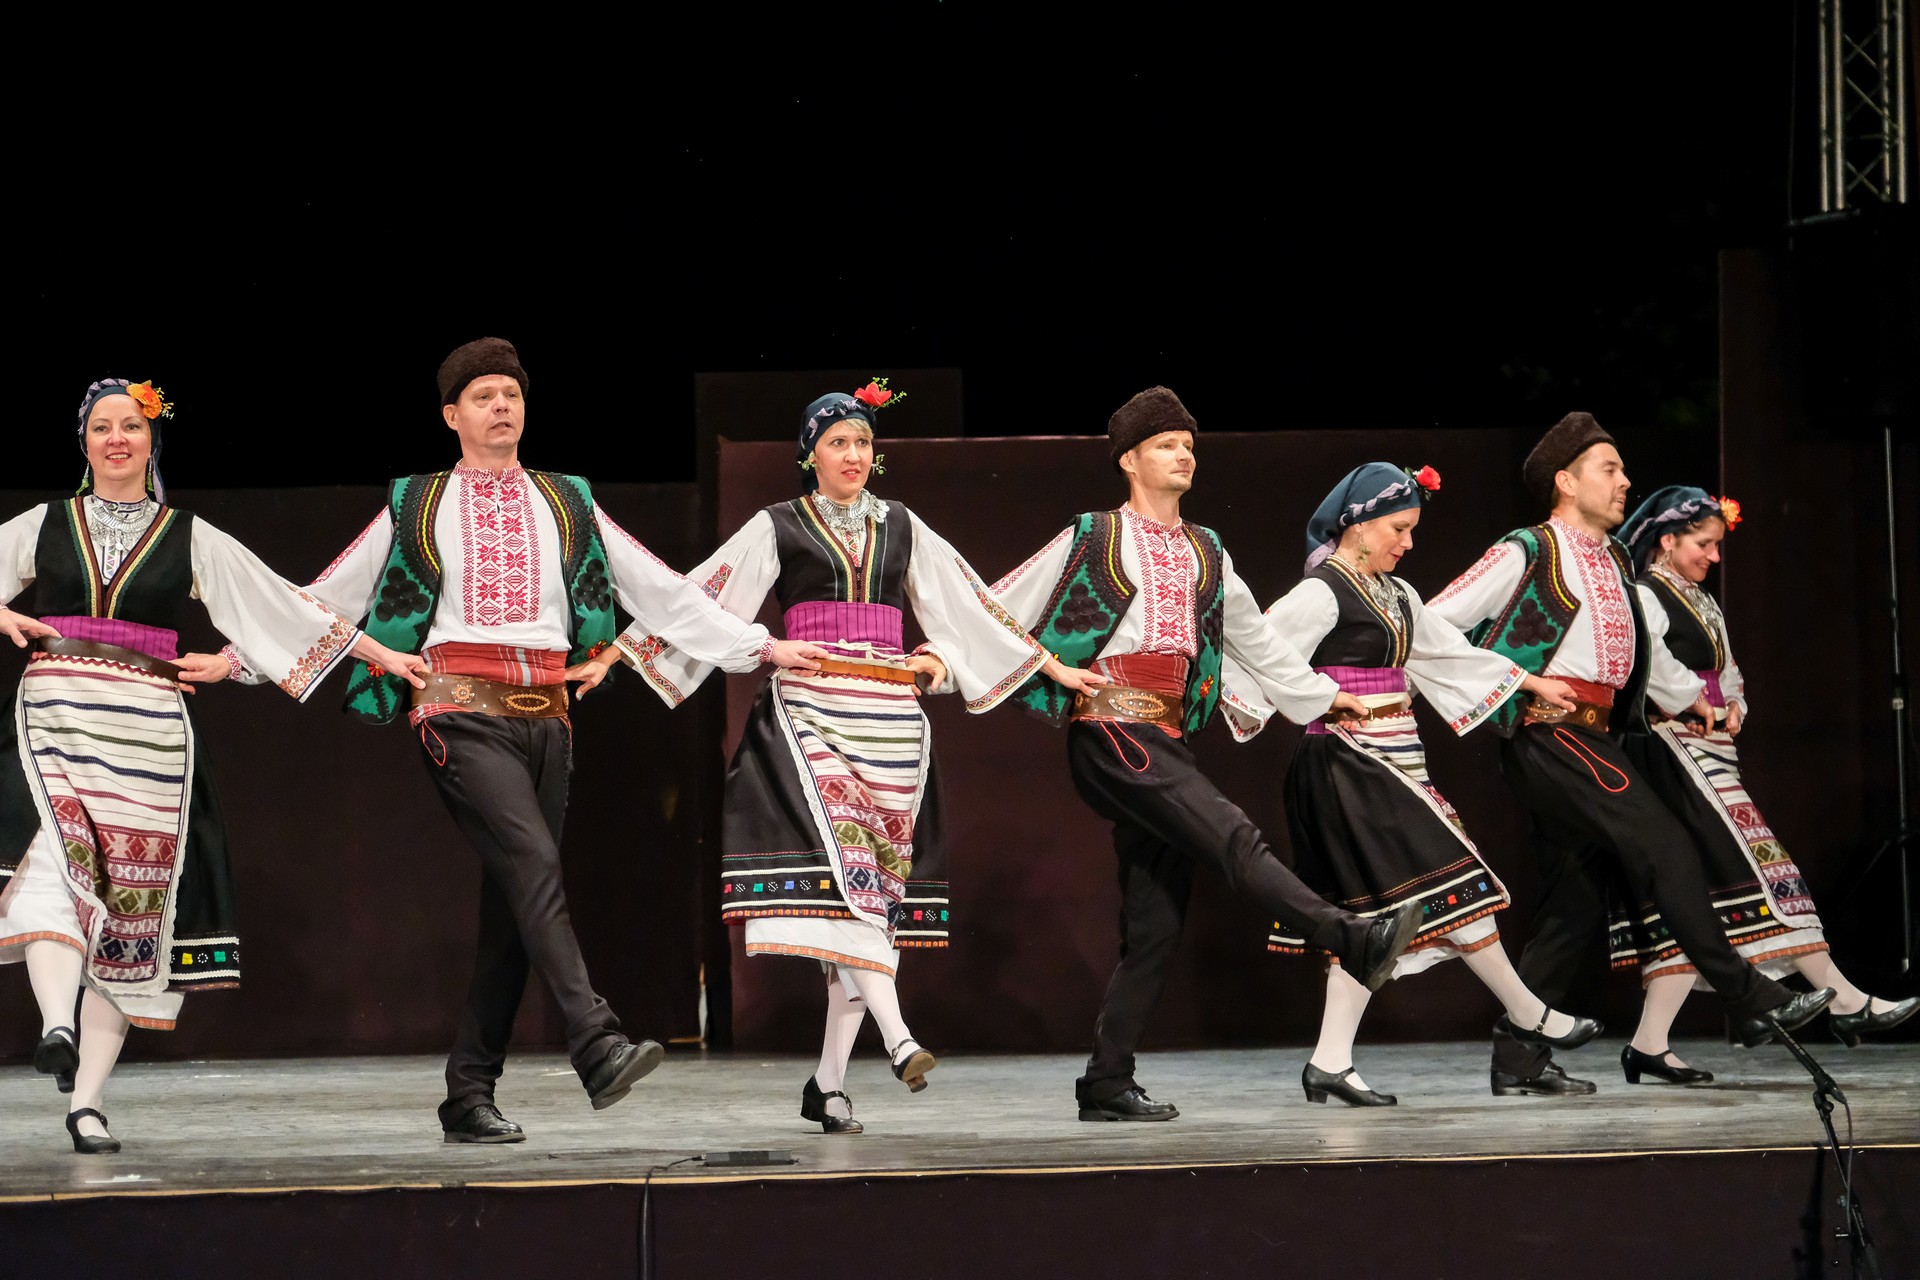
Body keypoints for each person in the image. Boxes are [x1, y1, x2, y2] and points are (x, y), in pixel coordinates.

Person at [217, 338, 823, 1143]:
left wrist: (760, 646)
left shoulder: (567, 499)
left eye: (511, 394)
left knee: (516, 904)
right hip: (456, 708)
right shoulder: (416, 502)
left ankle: (468, 1093)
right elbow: (329, 594)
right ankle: (595, 1040)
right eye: (483, 396)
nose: (501, 406)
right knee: (533, 864)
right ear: (451, 416)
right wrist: (238, 660)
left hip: (548, 715)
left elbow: (664, 593)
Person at [576, 381, 1076, 1134]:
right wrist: (625, 651)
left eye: (864, 442)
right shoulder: (778, 525)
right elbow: (700, 597)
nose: (853, 454)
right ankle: (899, 1036)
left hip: (891, 718)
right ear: (809, 453)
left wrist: (945, 660)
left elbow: (966, 607)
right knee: (851, 878)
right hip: (810, 710)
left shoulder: (902, 525)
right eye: (838, 442)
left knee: (868, 896)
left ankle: (828, 1084)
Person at [0, 377, 423, 1154]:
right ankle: (57, 1026)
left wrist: (380, 654)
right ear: (84, 441)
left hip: (151, 734)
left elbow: (281, 607)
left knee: (131, 910)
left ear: (152, 441)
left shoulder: (188, 536)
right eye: (103, 427)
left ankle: (86, 1104)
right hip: (56, 709)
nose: (117, 438)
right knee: (52, 864)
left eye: (132, 426)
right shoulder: (44, 524)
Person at [989, 387, 1424, 1122]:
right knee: (1231, 835)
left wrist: (1322, 696)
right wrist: (1011, 664)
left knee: (1156, 925)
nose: (1183, 454)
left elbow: (1256, 641)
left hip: (1164, 734)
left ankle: (1106, 1080)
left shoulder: (1206, 549)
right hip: (1110, 725)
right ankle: (1349, 936)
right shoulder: (1094, 535)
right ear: (1129, 460)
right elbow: (999, 606)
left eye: (1188, 444)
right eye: (1165, 444)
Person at [1424, 412, 1836, 1096]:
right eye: (1608, 469)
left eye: (1622, 469)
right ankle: (1746, 993)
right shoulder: (1529, 548)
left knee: (1575, 900)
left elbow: (1637, 656)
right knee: (1666, 844)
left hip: (1597, 734)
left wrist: (1691, 699)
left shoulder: (1616, 559)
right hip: (1551, 734)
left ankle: (1518, 1056)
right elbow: (1430, 623)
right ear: (1566, 481)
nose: (1624, 482)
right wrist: (1520, 683)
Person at [1222, 462, 1602, 1105]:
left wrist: (1529, 682)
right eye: (1398, 528)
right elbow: (1260, 651)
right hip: (1348, 764)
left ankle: (1330, 1062)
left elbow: (1448, 653)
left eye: (1411, 529)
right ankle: (1530, 1012)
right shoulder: (1321, 593)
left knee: (1376, 917)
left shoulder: (1397, 593)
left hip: (1397, 756)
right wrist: (1320, 695)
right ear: (1358, 525)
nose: (1408, 542)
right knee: (1457, 882)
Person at [1608, 486, 1918, 1084]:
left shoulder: (1699, 599)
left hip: (1708, 746)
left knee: (1692, 899)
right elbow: (1651, 665)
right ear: (1667, 540)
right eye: (1704, 544)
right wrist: (1696, 699)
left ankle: (1648, 1043)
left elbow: (1726, 668)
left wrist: (1734, 703)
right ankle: (1847, 1000)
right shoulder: (1645, 595)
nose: (1713, 556)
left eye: (1716, 546)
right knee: (1765, 869)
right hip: (1670, 750)